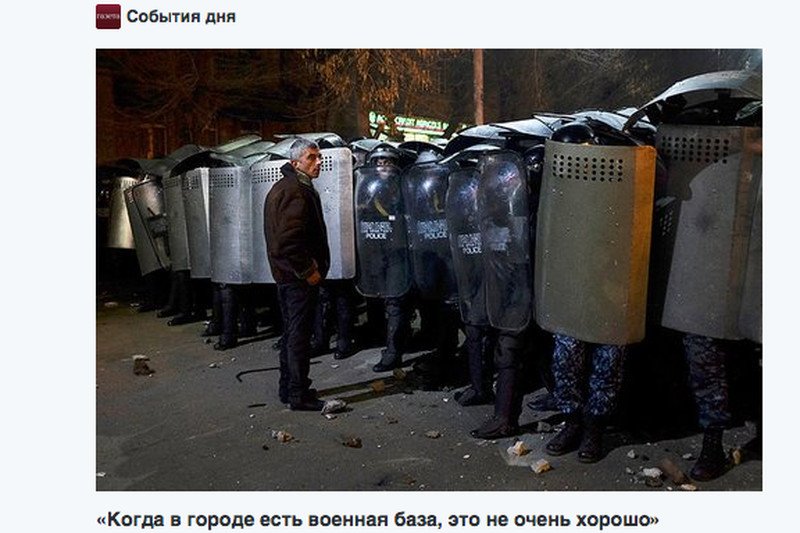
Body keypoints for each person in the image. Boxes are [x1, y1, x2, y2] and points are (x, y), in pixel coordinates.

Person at [264, 138, 330, 411]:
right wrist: (308, 271)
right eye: (311, 158)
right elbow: (288, 240)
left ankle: (289, 388)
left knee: (292, 332)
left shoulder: (286, 187)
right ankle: (298, 394)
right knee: (299, 336)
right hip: (297, 278)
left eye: (319, 157)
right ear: (295, 163)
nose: (318, 162)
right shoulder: (296, 191)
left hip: (287, 275)